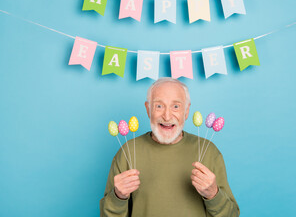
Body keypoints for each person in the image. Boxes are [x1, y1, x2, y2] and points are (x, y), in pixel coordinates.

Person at [100, 77, 240, 217]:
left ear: (186, 111)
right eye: (159, 106)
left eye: (176, 106)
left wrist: (213, 195)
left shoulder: (209, 151)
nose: (167, 116)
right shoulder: (128, 152)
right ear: (148, 109)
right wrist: (118, 196)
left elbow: (232, 215)